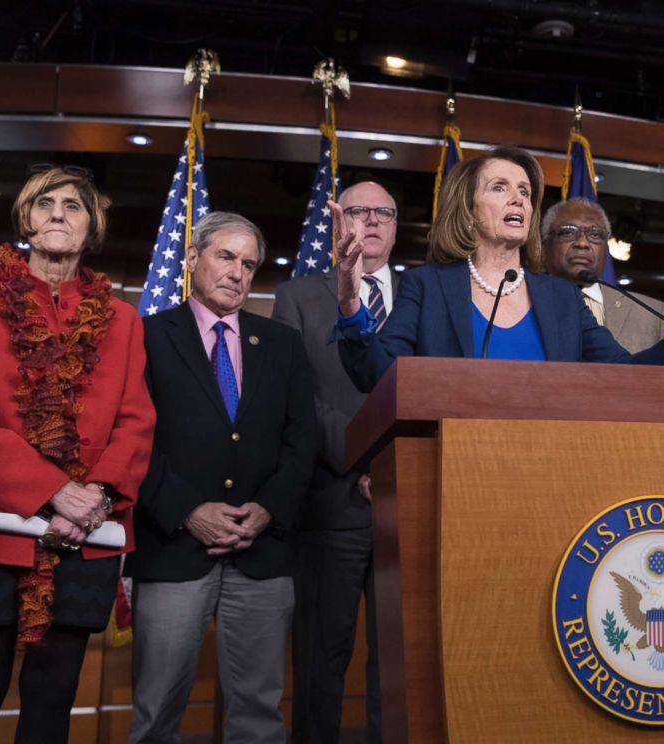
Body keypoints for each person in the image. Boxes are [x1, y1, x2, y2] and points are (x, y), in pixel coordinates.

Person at [333, 145, 664, 392]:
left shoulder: (560, 297)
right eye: (501, 188)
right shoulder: (427, 286)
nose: (519, 200)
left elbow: (625, 377)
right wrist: (351, 301)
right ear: (468, 211)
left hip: (553, 469)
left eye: (525, 192)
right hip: (458, 470)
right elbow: (375, 375)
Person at [127, 212, 317, 744]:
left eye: (249, 263)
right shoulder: (144, 337)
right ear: (192, 260)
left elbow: (302, 440)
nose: (238, 272)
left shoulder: (281, 343)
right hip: (172, 548)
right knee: (157, 710)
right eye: (226, 257)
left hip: (263, 554)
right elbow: (132, 441)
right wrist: (187, 511)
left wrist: (268, 510)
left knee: (259, 714)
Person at [0, 164, 155, 744]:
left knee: (53, 705)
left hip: (86, 538)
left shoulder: (125, 321)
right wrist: (54, 490)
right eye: (45, 203)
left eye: (74, 205)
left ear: (92, 226)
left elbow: (136, 421)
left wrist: (95, 497)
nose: (59, 212)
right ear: (26, 220)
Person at [272, 181, 394, 744]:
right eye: (358, 211)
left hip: (408, 506)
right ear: (337, 222)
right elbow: (297, 396)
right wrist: (364, 458)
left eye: (383, 213)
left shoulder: (424, 293)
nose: (371, 221)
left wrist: (394, 470)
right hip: (333, 502)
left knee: (399, 665)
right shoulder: (299, 295)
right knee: (323, 659)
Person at [542, 197, 664, 351]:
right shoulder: (518, 302)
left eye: (595, 235)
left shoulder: (652, 314)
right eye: (568, 232)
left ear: (606, 249)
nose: (582, 243)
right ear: (544, 246)